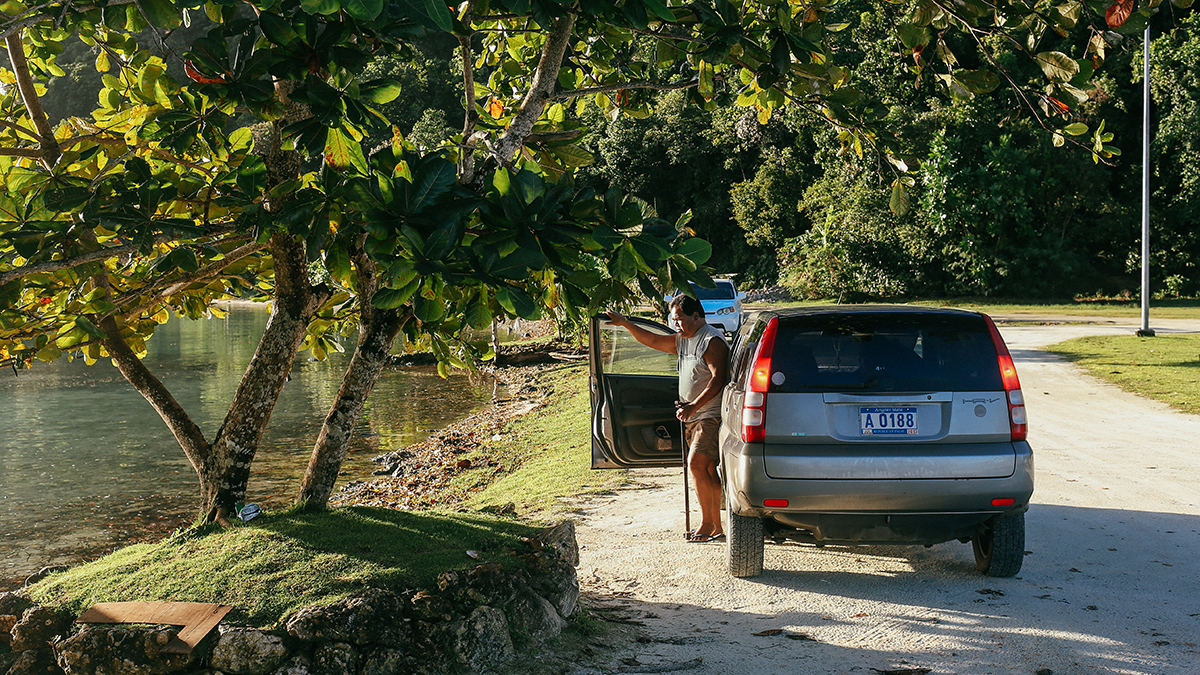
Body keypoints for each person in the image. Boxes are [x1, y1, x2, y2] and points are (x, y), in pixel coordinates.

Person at [605, 295, 729, 542]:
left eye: (680, 319)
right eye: (674, 320)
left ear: (696, 315)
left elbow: (719, 378)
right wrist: (626, 324)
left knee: (696, 465)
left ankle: (706, 524)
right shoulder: (683, 340)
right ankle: (716, 526)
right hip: (694, 415)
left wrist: (693, 405)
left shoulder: (711, 340)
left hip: (709, 416)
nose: (676, 325)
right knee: (705, 468)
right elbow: (651, 340)